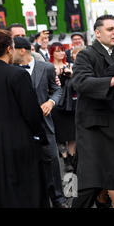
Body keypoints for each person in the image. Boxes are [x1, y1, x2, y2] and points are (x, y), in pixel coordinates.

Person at [71, 14, 114, 208]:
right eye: (110, 29)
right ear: (97, 32)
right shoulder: (87, 54)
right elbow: (81, 82)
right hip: (95, 128)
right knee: (91, 184)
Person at [12, 36, 67, 208]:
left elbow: (58, 90)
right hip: (21, 126)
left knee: (52, 162)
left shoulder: (47, 67)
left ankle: (58, 199)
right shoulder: (10, 70)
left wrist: (51, 102)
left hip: (46, 125)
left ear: (22, 50)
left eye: (12, 49)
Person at [0, 30, 48, 208]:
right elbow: (31, 113)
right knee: (27, 192)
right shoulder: (17, 75)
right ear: (9, 49)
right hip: (19, 141)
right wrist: (41, 136)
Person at [49, 42, 77, 173]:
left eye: (62, 50)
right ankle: (65, 159)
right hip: (56, 105)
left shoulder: (70, 66)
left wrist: (71, 75)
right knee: (60, 135)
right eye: (57, 51)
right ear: (52, 53)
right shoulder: (48, 68)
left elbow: (77, 84)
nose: (61, 53)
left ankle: (71, 158)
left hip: (70, 104)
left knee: (72, 134)